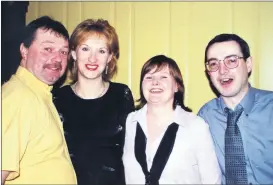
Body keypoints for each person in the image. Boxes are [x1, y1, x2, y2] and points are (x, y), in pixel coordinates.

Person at [52, 18, 135, 185]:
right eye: (85, 49)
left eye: (101, 51)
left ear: (110, 57)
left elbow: (133, 152)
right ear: (74, 53)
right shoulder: (57, 99)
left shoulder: (122, 95)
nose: (93, 58)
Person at [122, 55, 221, 184]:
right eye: (149, 77)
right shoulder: (130, 122)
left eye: (163, 77)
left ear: (176, 86)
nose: (155, 82)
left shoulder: (196, 126)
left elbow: (212, 180)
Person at [1, 16, 77, 184]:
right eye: (48, 49)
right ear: (24, 50)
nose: (57, 58)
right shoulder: (17, 96)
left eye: (63, 52)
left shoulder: (40, 95)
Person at [198, 33, 273, 185]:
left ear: (249, 64)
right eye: (214, 64)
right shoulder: (204, 117)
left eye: (231, 61)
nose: (222, 70)